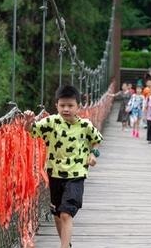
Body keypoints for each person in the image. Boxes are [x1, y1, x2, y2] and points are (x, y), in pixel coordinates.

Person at [23, 85, 103, 248]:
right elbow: (32, 131)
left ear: (78, 106)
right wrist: (28, 122)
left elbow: (96, 139)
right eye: (62, 105)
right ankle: (66, 243)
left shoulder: (85, 125)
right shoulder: (51, 122)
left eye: (70, 105)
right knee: (58, 214)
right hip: (54, 174)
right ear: (56, 106)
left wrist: (93, 154)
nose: (66, 109)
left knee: (66, 213)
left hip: (76, 174)